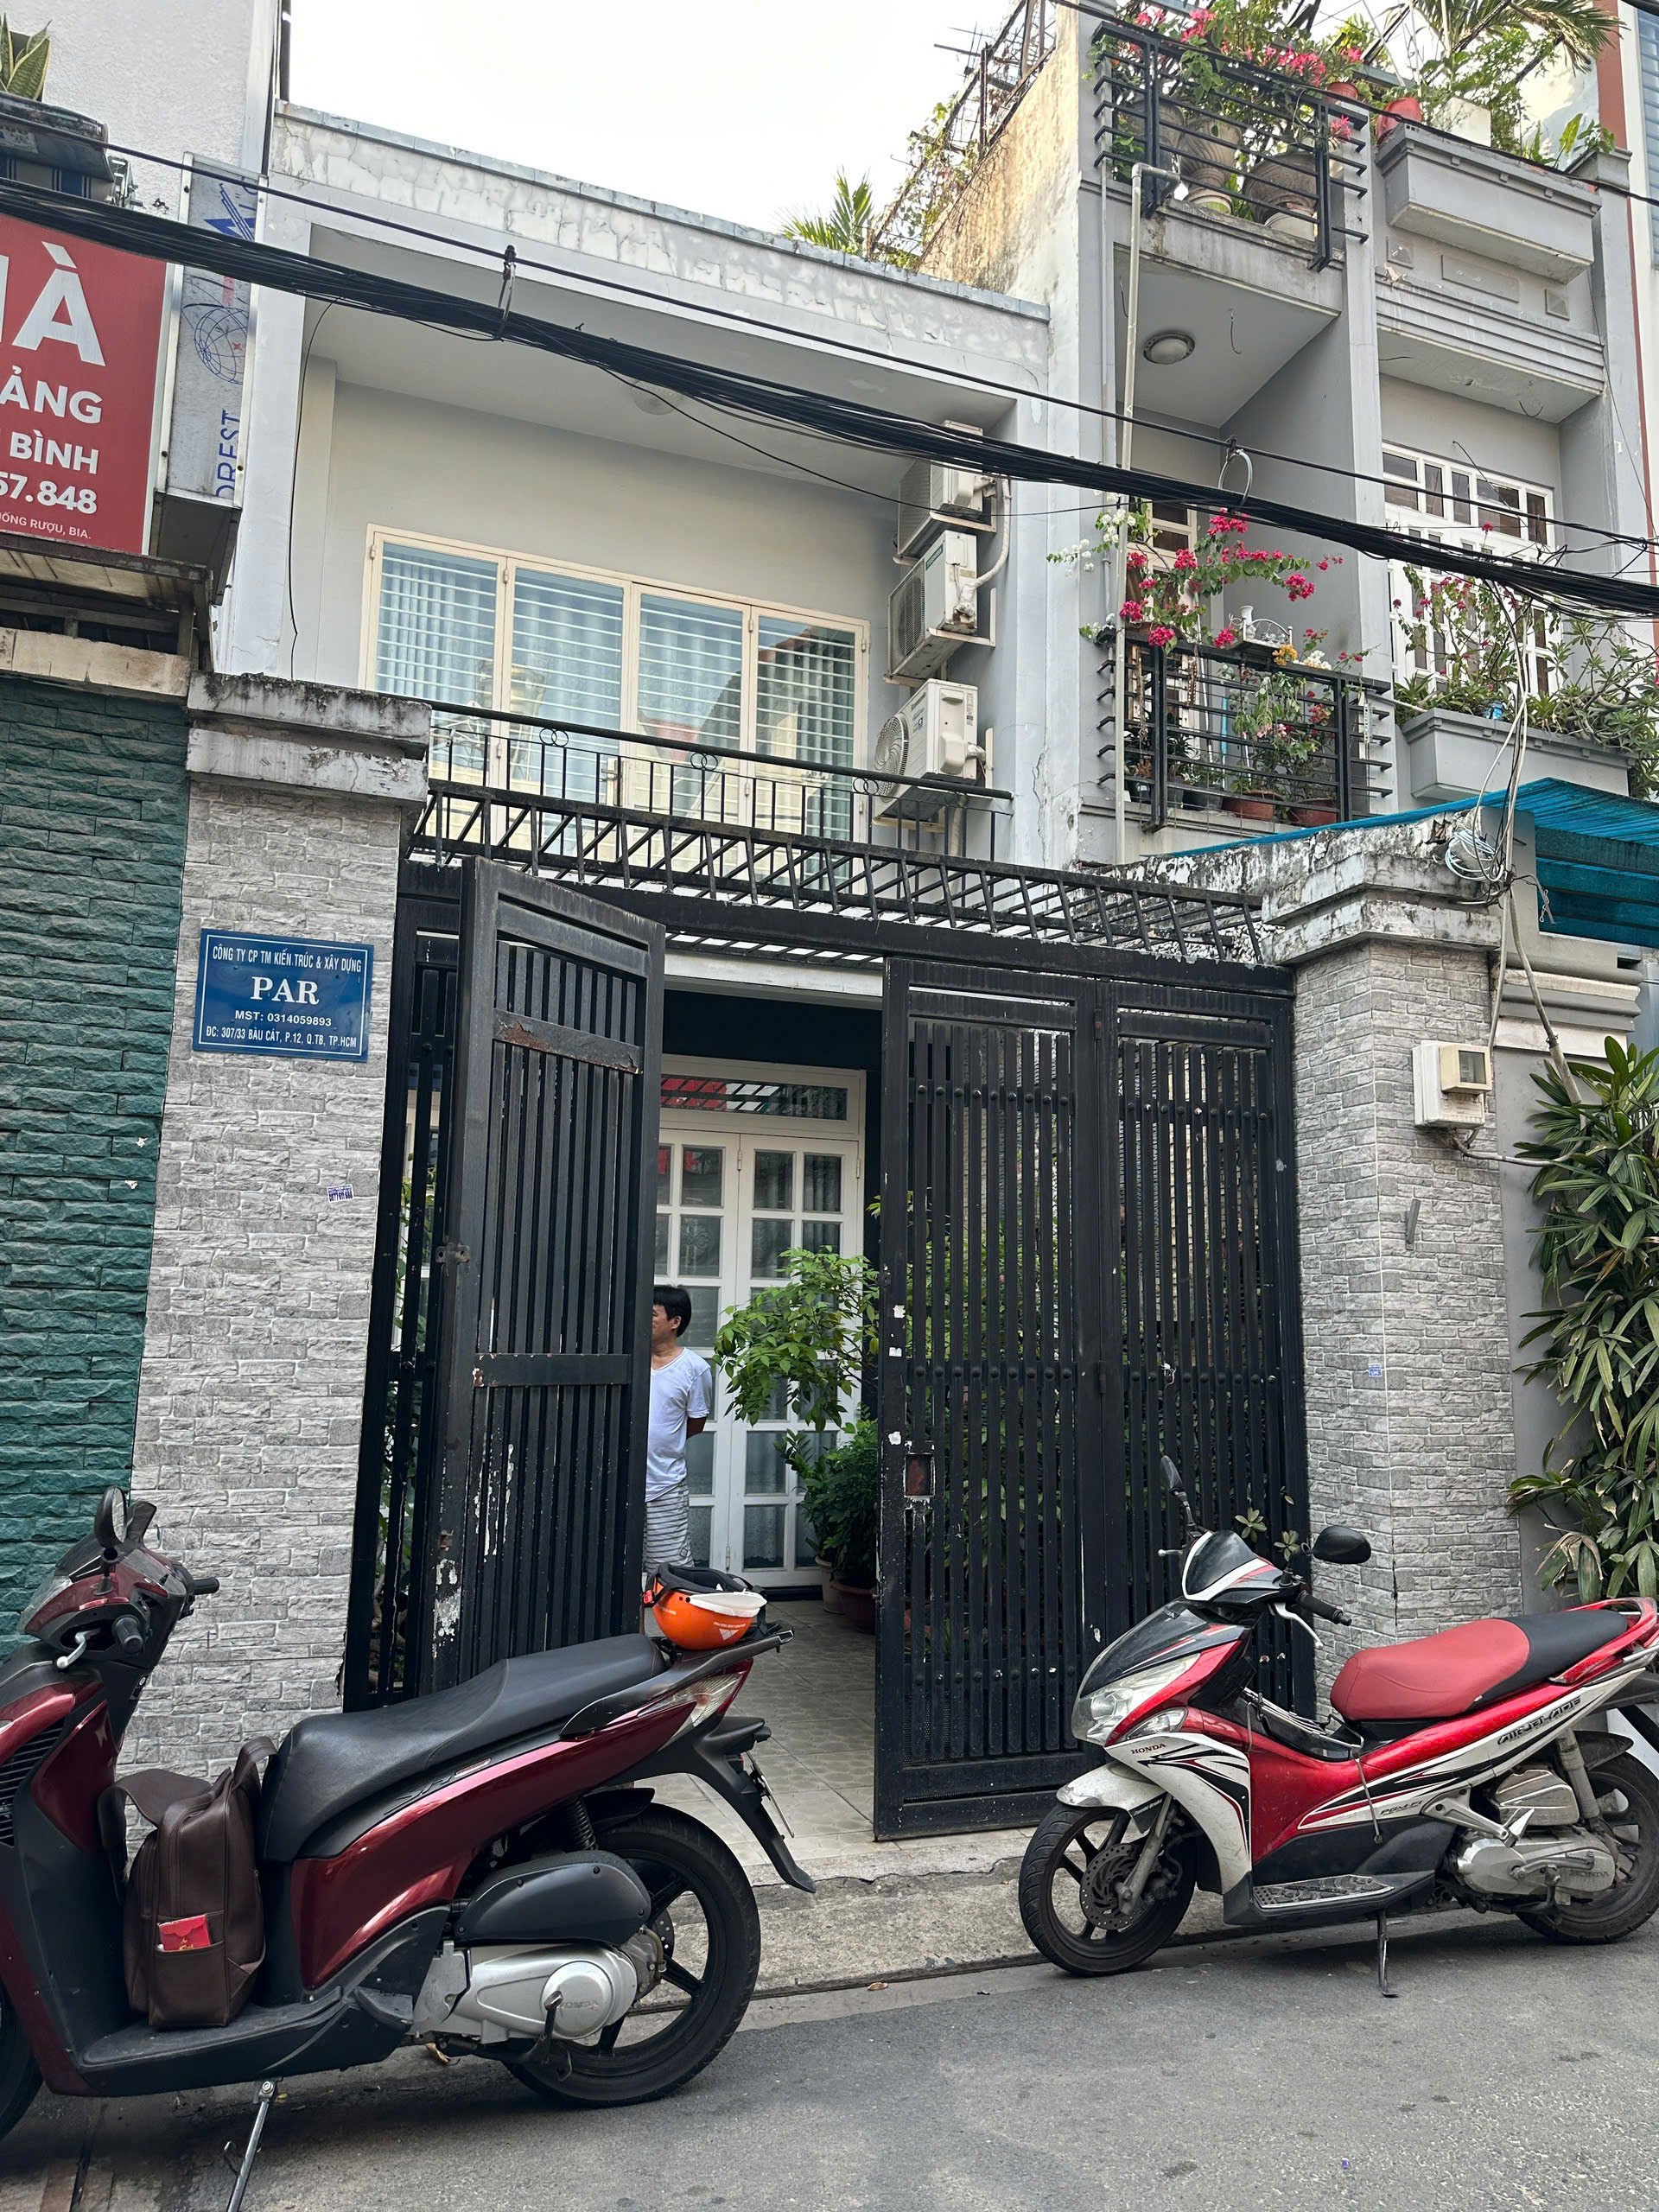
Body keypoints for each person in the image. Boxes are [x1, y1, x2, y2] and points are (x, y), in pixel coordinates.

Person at [645, 1283, 714, 1576]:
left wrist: (664, 1441)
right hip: (622, 1484)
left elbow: (696, 1423)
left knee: (668, 1573)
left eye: (651, 1314)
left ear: (675, 1322)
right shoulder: (630, 1361)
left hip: (665, 1487)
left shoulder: (694, 1369)